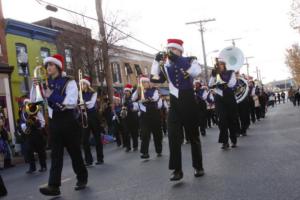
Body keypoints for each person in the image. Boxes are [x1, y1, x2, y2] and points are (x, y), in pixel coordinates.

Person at [31, 54, 88, 196]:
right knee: (56, 155)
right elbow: (34, 100)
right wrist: (35, 87)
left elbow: (70, 102)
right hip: (54, 121)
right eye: (47, 65)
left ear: (57, 66)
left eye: (51, 65)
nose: (48, 68)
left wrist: (50, 94)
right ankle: (53, 186)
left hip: (68, 120)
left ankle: (82, 178)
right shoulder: (45, 82)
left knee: (74, 152)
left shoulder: (69, 82)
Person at [151, 39, 204, 181]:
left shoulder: (190, 60)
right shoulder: (166, 66)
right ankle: (177, 170)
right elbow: (155, 79)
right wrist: (156, 62)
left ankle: (198, 166)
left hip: (188, 102)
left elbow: (195, 72)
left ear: (180, 50)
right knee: (173, 137)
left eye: (173, 49)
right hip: (174, 104)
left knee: (193, 136)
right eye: (169, 49)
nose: (170, 52)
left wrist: (178, 59)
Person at [209, 58, 239, 150]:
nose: (219, 66)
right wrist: (214, 76)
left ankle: (233, 139)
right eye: (218, 64)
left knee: (231, 120)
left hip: (229, 97)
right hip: (219, 98)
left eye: (221, 64)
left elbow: (232, 83)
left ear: (224, 65)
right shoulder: (215, 74)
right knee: (222, 121)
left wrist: (224, 84)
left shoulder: (231, 72)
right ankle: (225, 142)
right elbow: (210, 84)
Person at [132, 76, 162, 159]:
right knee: (145, 134)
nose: (144, 84)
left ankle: (158, 150)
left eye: (146, 82)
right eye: (143, 82)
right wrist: (138, 90)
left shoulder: (154, 90)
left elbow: (155, 98)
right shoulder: (139, 91)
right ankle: (145, 152)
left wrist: (146, 99)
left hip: (154, 113)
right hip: (144, 115)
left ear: (148, 83)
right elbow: (133, 98)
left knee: (157, 134)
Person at [80, 77, 104, 166]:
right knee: (84, 140)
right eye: (81, 84)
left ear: (87, 85)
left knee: (97, 137)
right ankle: (88, 160)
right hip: (84, 117)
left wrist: (83, 103)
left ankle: (100, 158)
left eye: (83, 84)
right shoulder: (80, 94)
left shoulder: (93, 93)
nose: (82, 86)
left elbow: (90, 105)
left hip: (93, 116)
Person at [22, 101, 47, 174]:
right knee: (29, 151)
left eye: (28, 105)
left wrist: (37, 123)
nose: (27, 107)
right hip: (29, 134)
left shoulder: (37, 112)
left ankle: (43, 166)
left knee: (40, 150)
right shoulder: (24, 114)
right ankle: (32, 167)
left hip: (37, 133)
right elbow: (23, 124)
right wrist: (25, 128)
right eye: (26, 105)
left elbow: (43, 122)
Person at [121, 84, 139, 152]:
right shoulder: (123, 98)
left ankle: (135, 146)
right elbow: (122, 106)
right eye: (125, 91)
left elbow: (136, 106)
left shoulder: (133, 98)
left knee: (134, 132)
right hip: (126, 117)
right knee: (126, 132)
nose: (126, 92)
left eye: (127, 91)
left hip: (133, 116)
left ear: (130, 92)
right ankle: (128, 147)